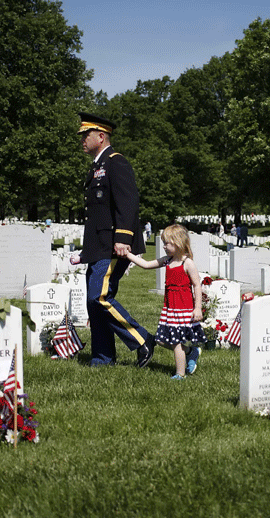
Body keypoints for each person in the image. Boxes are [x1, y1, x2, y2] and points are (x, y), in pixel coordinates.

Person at [70, 112, 155, 368]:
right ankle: (103, 358)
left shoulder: (116, 162)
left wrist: (123, 238)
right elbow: (96, 213)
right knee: (93, 303)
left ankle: (142, 339)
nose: (82, 140)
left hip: (113, 246)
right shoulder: (97, 166)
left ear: (101, 136)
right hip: (98, 246)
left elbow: (128, 202)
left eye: (86, 135)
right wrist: (86, 252)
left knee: (100, 297)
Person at [126, 224, 205, 380]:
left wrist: (198, 308)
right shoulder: (167, 261)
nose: (164, 246)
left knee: (176, 342)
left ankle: (180, 374)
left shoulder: (187, 263)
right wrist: (127, 255)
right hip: (170, 308)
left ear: (179, 242)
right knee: (160, 340)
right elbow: (146, 264)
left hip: (183, 308)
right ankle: (191, 352)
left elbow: (197, 285)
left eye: (167, 243)